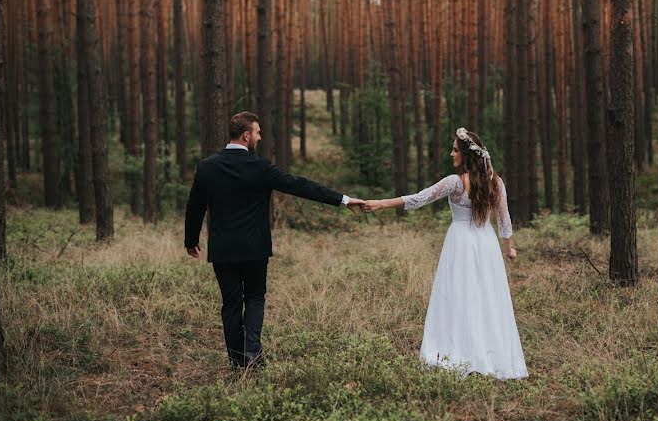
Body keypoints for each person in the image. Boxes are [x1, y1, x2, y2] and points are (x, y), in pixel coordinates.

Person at [184, 111, 364, 368]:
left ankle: (238, 362)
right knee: (255, 297)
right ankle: (252, 349)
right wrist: (342, 199)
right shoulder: (260, 167)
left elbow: (195, 207)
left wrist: (190, 240)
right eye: (257, 132)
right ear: (246, 135)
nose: (259, 137)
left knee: (231, 304)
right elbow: (300, 185)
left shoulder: (207, 167)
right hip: (255, 248)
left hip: (223, 249)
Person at [363, 128, 528, 380]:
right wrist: (509, 250)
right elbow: (504, 221)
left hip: (461, 243)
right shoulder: (496, 181)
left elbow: (419, 198)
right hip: (486, 245)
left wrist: (379, 203)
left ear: (465, 155)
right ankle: (489, 353)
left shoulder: (455, 182)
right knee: (486, 298)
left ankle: (458, 351)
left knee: (459, 296)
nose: (451, 154)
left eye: (454, 150)